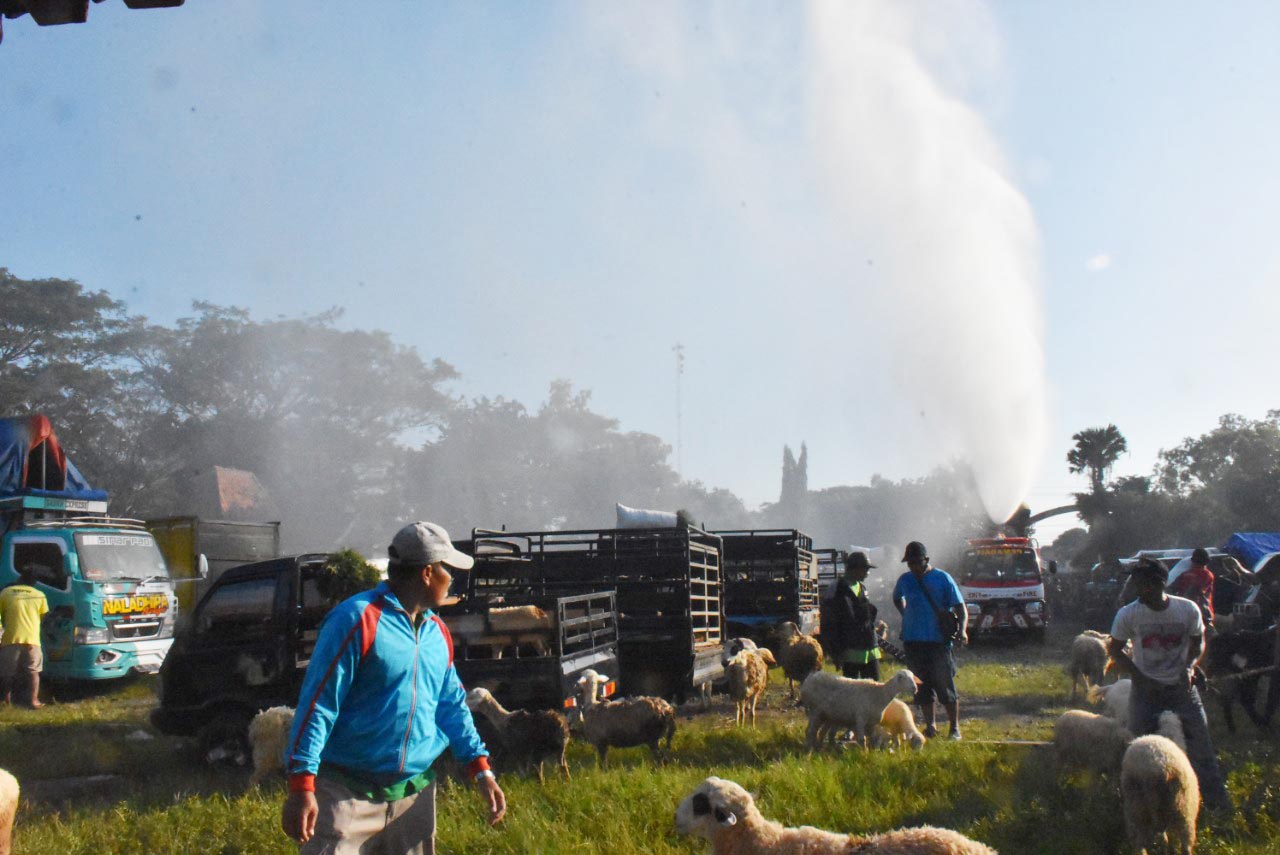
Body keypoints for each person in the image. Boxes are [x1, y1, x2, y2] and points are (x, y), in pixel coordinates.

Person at [282, 521, 506, 854]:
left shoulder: (437, 632)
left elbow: (451, 705)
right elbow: (319, 705)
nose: (453, 579)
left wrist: (480, 769)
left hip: (412, 800)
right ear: (428, 573)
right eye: (449, 570)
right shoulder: (357, 620)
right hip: (345, 797)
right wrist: (302, 785)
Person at [1108, 558, 1230, 811]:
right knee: (1139, 748)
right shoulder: (1128, 614)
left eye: (1139, 581)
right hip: (1145, 693)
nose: (1134, 585)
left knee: (1201, 747)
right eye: (1134, 580)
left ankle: (1216, 805)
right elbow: (1115, 650)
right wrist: (1139, 678)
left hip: (1182, 690)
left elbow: (1198, 642)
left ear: (1158, 583)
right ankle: (1141, 806)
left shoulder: (1187, 610)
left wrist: (1189, 667)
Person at [891, 541, 968, 740]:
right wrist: (905, 614)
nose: (913, 567)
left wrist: (962, 631)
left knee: (945, 686)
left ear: (926, 560)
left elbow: (960, 607)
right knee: (921, 687)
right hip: (913, 641)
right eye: (910, 563)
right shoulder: (905, 580)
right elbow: (896, 597)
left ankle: (954, 728)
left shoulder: (943, 578)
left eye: (917, 562)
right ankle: (931, 726)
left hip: (938, 642)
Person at [0, 567, 49, 709]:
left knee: (7, 673)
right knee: (33, 672)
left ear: (20, 578)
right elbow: (43, 617)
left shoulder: (6, 593)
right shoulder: (39, 595)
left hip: (10, 639)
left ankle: (5, 701)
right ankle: (34, 701)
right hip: (32, 640)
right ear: (34, 582)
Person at [830, 551, 881, 680]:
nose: (867, 573)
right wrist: (836, 652)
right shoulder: (837, 588)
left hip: (870, 650)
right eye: (866, 569)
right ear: (855, 568)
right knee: (853, 694)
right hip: (851, 652)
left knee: (874, 692)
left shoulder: (862, 588)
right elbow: (830, 623)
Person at [1169, 547, 1216, 629]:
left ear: (1192, 561)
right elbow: (1200, 593)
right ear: (1206, 562)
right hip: (1203, 615)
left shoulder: (1184, 575)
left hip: (1183, 612)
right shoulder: (1208, 575)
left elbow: (1171, 589)